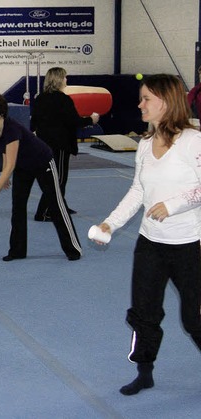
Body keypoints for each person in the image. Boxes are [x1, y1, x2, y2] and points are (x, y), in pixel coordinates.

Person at [92, 74, 201, 396]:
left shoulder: (193, 141)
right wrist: (110, 223)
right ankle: (145, 371)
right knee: (144, 313)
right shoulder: (143, 145)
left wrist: (175, 204)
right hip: (150, 244)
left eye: (146, 99)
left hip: (188, 246)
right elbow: (138, 191)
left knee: (194, 319)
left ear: (166, 102)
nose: (140, 104)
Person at [0, 92, 82, 262]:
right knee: (18, 207)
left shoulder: (11, 129)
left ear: (0, 112)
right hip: (23, 167)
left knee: (56, 205)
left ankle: (73, 249)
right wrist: (5, 176)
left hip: (43, 163)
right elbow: (5, 153)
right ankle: (17, 251)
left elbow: (10, 163)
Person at [31, 67, 99, 221]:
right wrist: (91, 120)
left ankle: (59, 205)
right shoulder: (63, 99)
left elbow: (34, 122)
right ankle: (43, 212)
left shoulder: (40, 98)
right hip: (59, 145)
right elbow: (74, 121)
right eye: (65, 77)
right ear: (59, 79)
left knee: (54, 178)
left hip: (43, 144)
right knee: (59, 179)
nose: (67, 80)